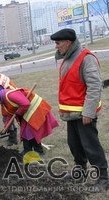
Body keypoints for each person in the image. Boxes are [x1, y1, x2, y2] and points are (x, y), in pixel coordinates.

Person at [50, 28, 108, 190]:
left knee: (91, 145)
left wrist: (89, 112)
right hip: (72, 114)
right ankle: (80, 171)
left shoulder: (86, 58)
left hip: (84, 114)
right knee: (75, 144)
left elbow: (95, 86)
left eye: (58, 43)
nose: (56, 46)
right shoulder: (68, 57)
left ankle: (103, 177)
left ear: (68, 43)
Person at [0, 88, 58, 157]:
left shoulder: (10, 95)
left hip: (34, 107)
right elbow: (8, 114)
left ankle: (38, 151)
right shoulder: (4, 100)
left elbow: (26, 104)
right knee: (25, 132)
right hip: (27, 110)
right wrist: (6, 127)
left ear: (0, 98)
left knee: (31, 131)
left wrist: (18, 113)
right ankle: (27, 150)